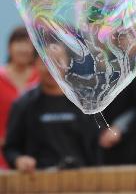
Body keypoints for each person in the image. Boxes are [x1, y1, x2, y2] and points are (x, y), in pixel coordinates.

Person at [2, 43, 98, 172]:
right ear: (35, 64)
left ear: (68, 64)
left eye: (58, 61)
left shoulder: (84, 103)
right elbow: (10, 148)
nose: (52, 69)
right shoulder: (23, 104)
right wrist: (18, 160)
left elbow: (96, 147)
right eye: (46, 63)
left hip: (81, 181)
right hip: (37, 182)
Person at [0, 27, 39, 169]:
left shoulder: (43, 78)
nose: (23, 49)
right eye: (19, 43)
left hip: (35, 157)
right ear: (9, 48)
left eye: (28, 44)